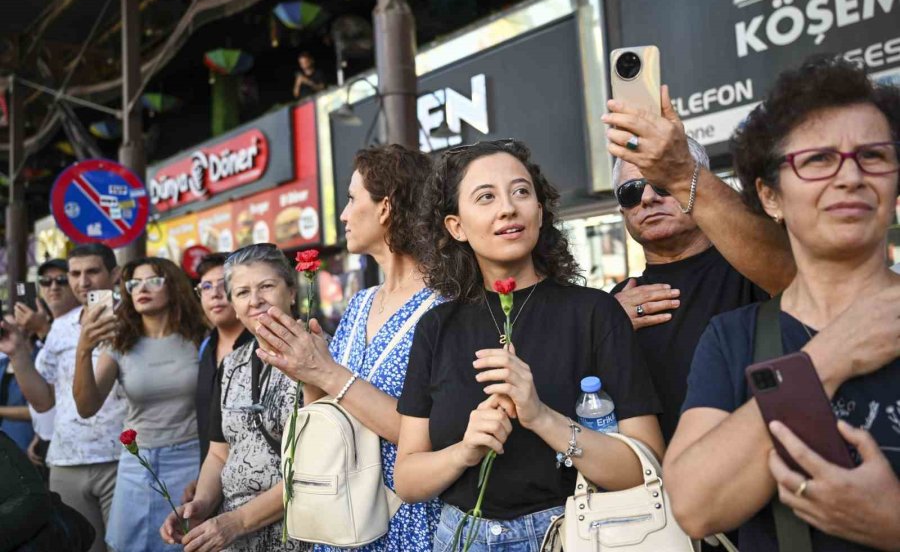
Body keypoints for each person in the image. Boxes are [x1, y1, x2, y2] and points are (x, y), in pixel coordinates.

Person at [664, 57, 900, 550]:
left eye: (873, 156)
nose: (850, 176)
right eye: (817, 160)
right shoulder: (735, 338)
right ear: (770, 197)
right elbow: (694, 506)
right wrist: (829, 357)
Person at [393, 139, 664, 551]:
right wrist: (465, 451)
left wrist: (540, 417)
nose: (508, 208)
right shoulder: (436, 327)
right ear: (456, 226)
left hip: (571, 533)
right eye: (486, 197)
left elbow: (644, 468)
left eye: (521, 192)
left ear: (539, 211)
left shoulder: (594, 313)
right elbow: (408, 480)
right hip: (460, 537)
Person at [256, 144, 442, 552]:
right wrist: (304, 371)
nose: (343, 214)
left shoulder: (443, 306)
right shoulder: (360, 304)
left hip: (406, 522)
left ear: (386, 207)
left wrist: (324, 371)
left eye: (353, 198)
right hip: (343, 518)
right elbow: (326, 405)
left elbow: (430, 434)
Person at [608, 138, 775, 443]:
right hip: (654, 482)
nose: (647, 198)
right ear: (623, 212)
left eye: (662, 184)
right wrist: (607, 327)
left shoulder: (757, 270)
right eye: (630, 191)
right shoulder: (613, 304)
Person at [160, 244, 306, 552]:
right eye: (242, 293)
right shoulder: (232, 365)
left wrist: (236, 521)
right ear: (235, 306)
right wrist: (199, 506)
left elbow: (316, 470)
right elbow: (219, 454)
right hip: (234, 539)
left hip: (300, 533)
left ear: (291, 291)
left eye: (267, 286)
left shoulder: (321, 356)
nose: (255, 301)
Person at [72, 257, 207, 552]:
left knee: (183, 544)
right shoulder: (120, 342)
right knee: (126, 545)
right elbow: (86, 407)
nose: (141, 288)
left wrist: (208, 471)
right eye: (134, 283)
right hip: (137, 462)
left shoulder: (201, 338)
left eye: (153, 280)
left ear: (173, 288)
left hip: (189, 459)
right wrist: (84, 349)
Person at [0, 243, 127, 552]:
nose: (83, 282)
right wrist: (17, 352)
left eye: (92, 272)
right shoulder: (60, 326)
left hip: (123, 456)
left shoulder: (134, 317)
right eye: (75, 273)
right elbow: (44, 401)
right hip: (67, 457)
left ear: (115, 275)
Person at [182, 253, 251, 505]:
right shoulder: (204, 348)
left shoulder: (260, 347)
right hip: (212, 486)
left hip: (255, 491)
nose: (215, 294)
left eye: (224, 284)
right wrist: (203, 480)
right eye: (206, 287)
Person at [17, 259, 80, 474]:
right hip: (56, 443)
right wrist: (41, 433)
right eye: (46, 281)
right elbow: (51, 397)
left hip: (92, 449)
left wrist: (43, 329)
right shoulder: (55, 328)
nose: (53, 286)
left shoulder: (85, 321)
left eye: (61, 280)